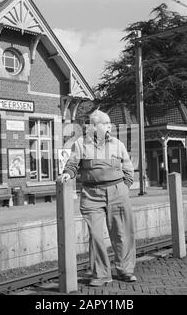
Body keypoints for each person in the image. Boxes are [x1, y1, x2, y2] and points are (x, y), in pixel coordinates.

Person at [60, 110, 136, 287]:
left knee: (122, 233)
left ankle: (125, 270)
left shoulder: (117, 144)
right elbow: (72, 163)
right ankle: (101, 274)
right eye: (106, 123)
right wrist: (67, 174)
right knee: (95, 235)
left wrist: (125, 186)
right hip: (92, 194)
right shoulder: (80, 143)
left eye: (110, 123)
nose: (110, 126)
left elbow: (128, 167)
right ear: (94, 126)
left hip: (118, 192)